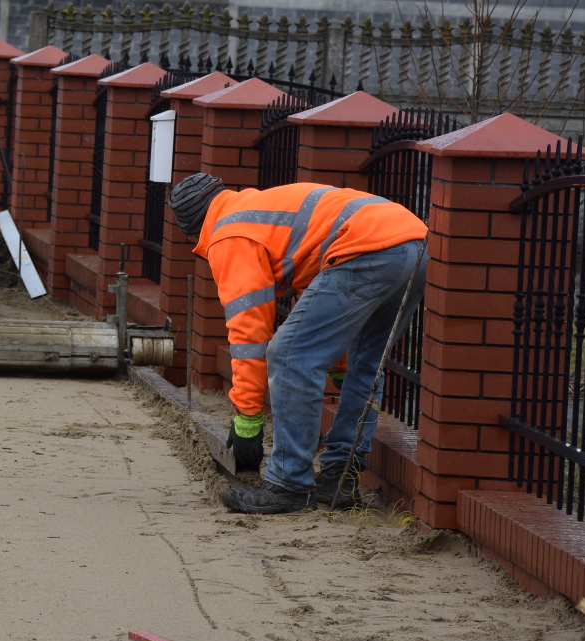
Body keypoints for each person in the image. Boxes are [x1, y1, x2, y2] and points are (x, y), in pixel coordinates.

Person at [168, 173, 428, 514]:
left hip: (365, 250)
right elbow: (317, 295)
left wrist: (247, 420)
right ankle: (339, 477)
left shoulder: (229, 235)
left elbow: (250, 336)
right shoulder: (260, 211)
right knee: (365, 366)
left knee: (288, 354)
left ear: (193, 229)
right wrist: (339, 365)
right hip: (415, 244)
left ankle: (289, 483)